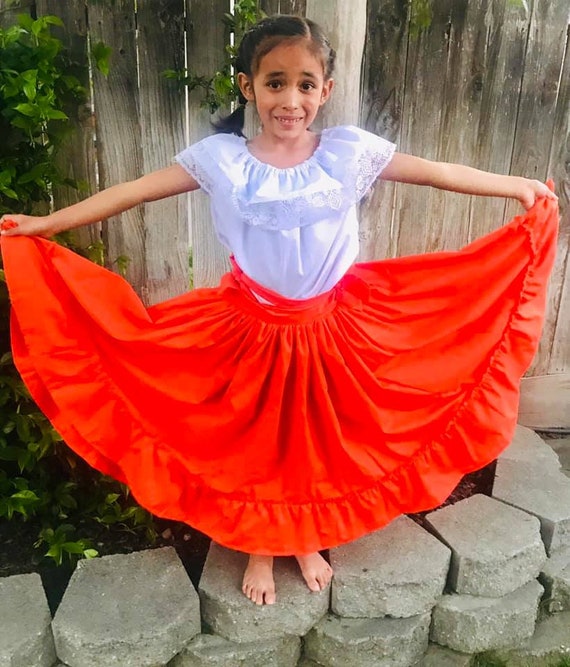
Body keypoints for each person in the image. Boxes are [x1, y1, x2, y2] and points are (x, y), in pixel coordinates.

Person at [0, 14, 559, 607]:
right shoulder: (221, 160)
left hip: (331, 326)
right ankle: (260, 546)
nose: (291, 99)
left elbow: (438, 174)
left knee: (316, 441)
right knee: (255, 444)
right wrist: (44, 225)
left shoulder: (349, 153)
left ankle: (303, 538)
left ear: (326, 91)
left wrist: (515, 185)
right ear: (248, 86)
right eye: (275, 82)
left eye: (306, 84)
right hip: (248, 326)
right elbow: (129, 193)